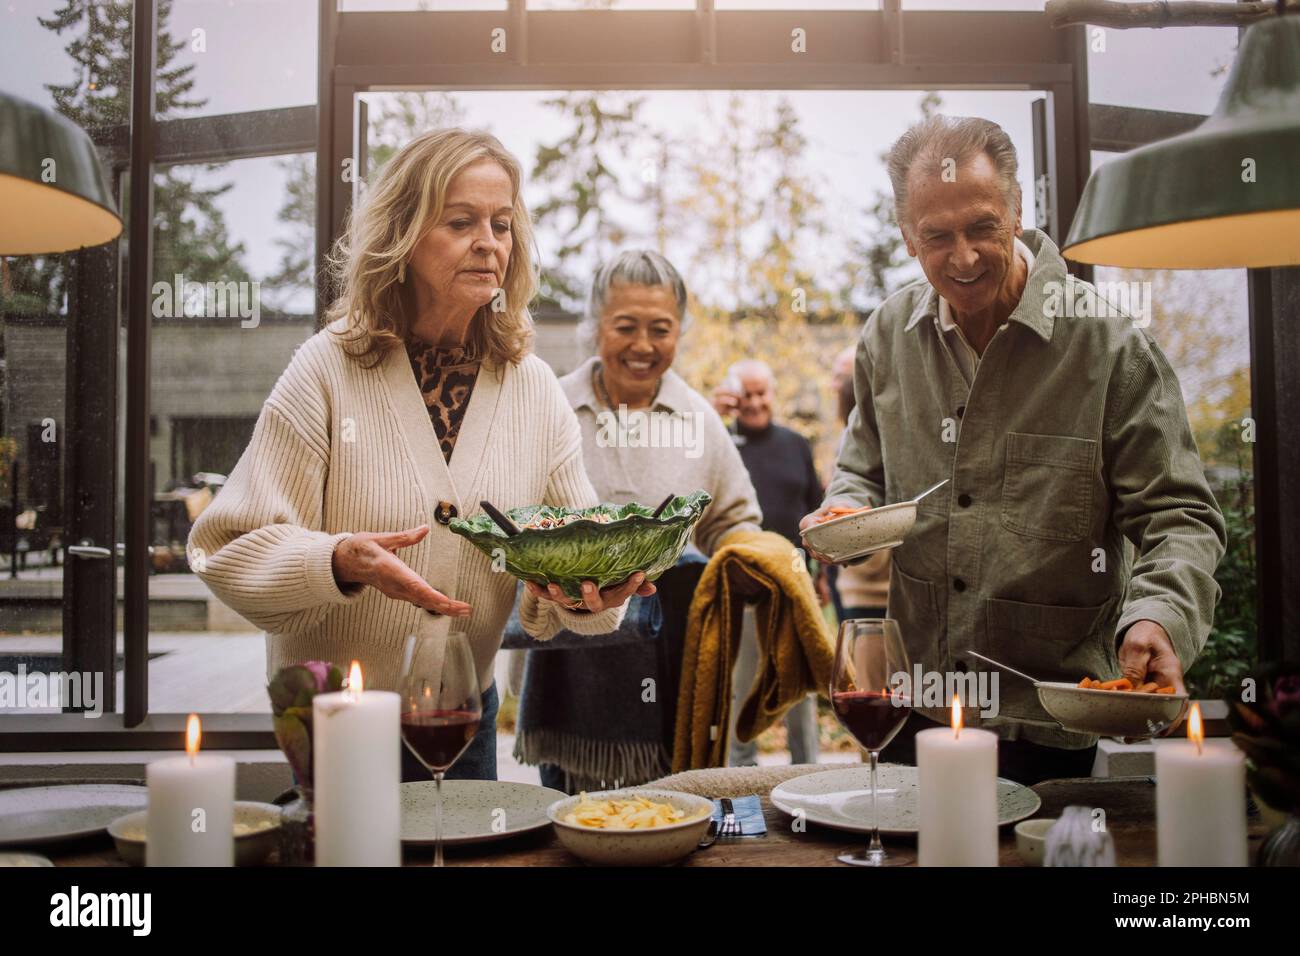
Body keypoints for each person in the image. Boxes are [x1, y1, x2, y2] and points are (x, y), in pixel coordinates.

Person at [187, 129, 653, 783]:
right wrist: (336, 562)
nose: (488, 241)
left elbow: (582, 561)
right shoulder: (327, 369)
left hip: (461, 713)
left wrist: (598, 586)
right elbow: (227, 549)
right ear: (402, 234)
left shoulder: (534, 389)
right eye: (461, 221)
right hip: (335, 715)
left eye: (502, 223)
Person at [800, 115, 1225, 786]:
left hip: (1051, 717)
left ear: (1018, 210)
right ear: (908, 236)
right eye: (936, 236)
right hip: (918, 706)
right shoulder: (887, 337)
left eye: (982, 227)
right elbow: (861, 469)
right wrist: (845, 507)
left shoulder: (1108, 346)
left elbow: (1180, 518)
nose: (962, 257)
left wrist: (1160, 616)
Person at [515, 250, 764, 793]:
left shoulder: (698, 418)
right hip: (566, 662)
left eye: (661, 329)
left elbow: (736, 518)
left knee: (664, 810)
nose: (643, 346)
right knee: (570, 821)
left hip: (671, 665)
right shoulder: (549, 405)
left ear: (680, 332)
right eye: (625, 327)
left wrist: (752, 558)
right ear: (593, 327)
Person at [712, 359, 822, 766]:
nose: (755, 402)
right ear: (734, 399)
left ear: (772, 395)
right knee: (743, 689)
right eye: (746, 395)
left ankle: (807, 774)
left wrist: (821, 574)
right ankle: (741, 782)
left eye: (762, 393)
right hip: (743, 584)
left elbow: (815, 509)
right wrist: (713, 419)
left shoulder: (796, 444)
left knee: (800, 687)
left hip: (795, 581)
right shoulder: (721, 444)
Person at [829, 345, 890, 621]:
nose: (834, 384)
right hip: (860, 581)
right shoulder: (849, 444)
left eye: (840, 376)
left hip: (870, 583)